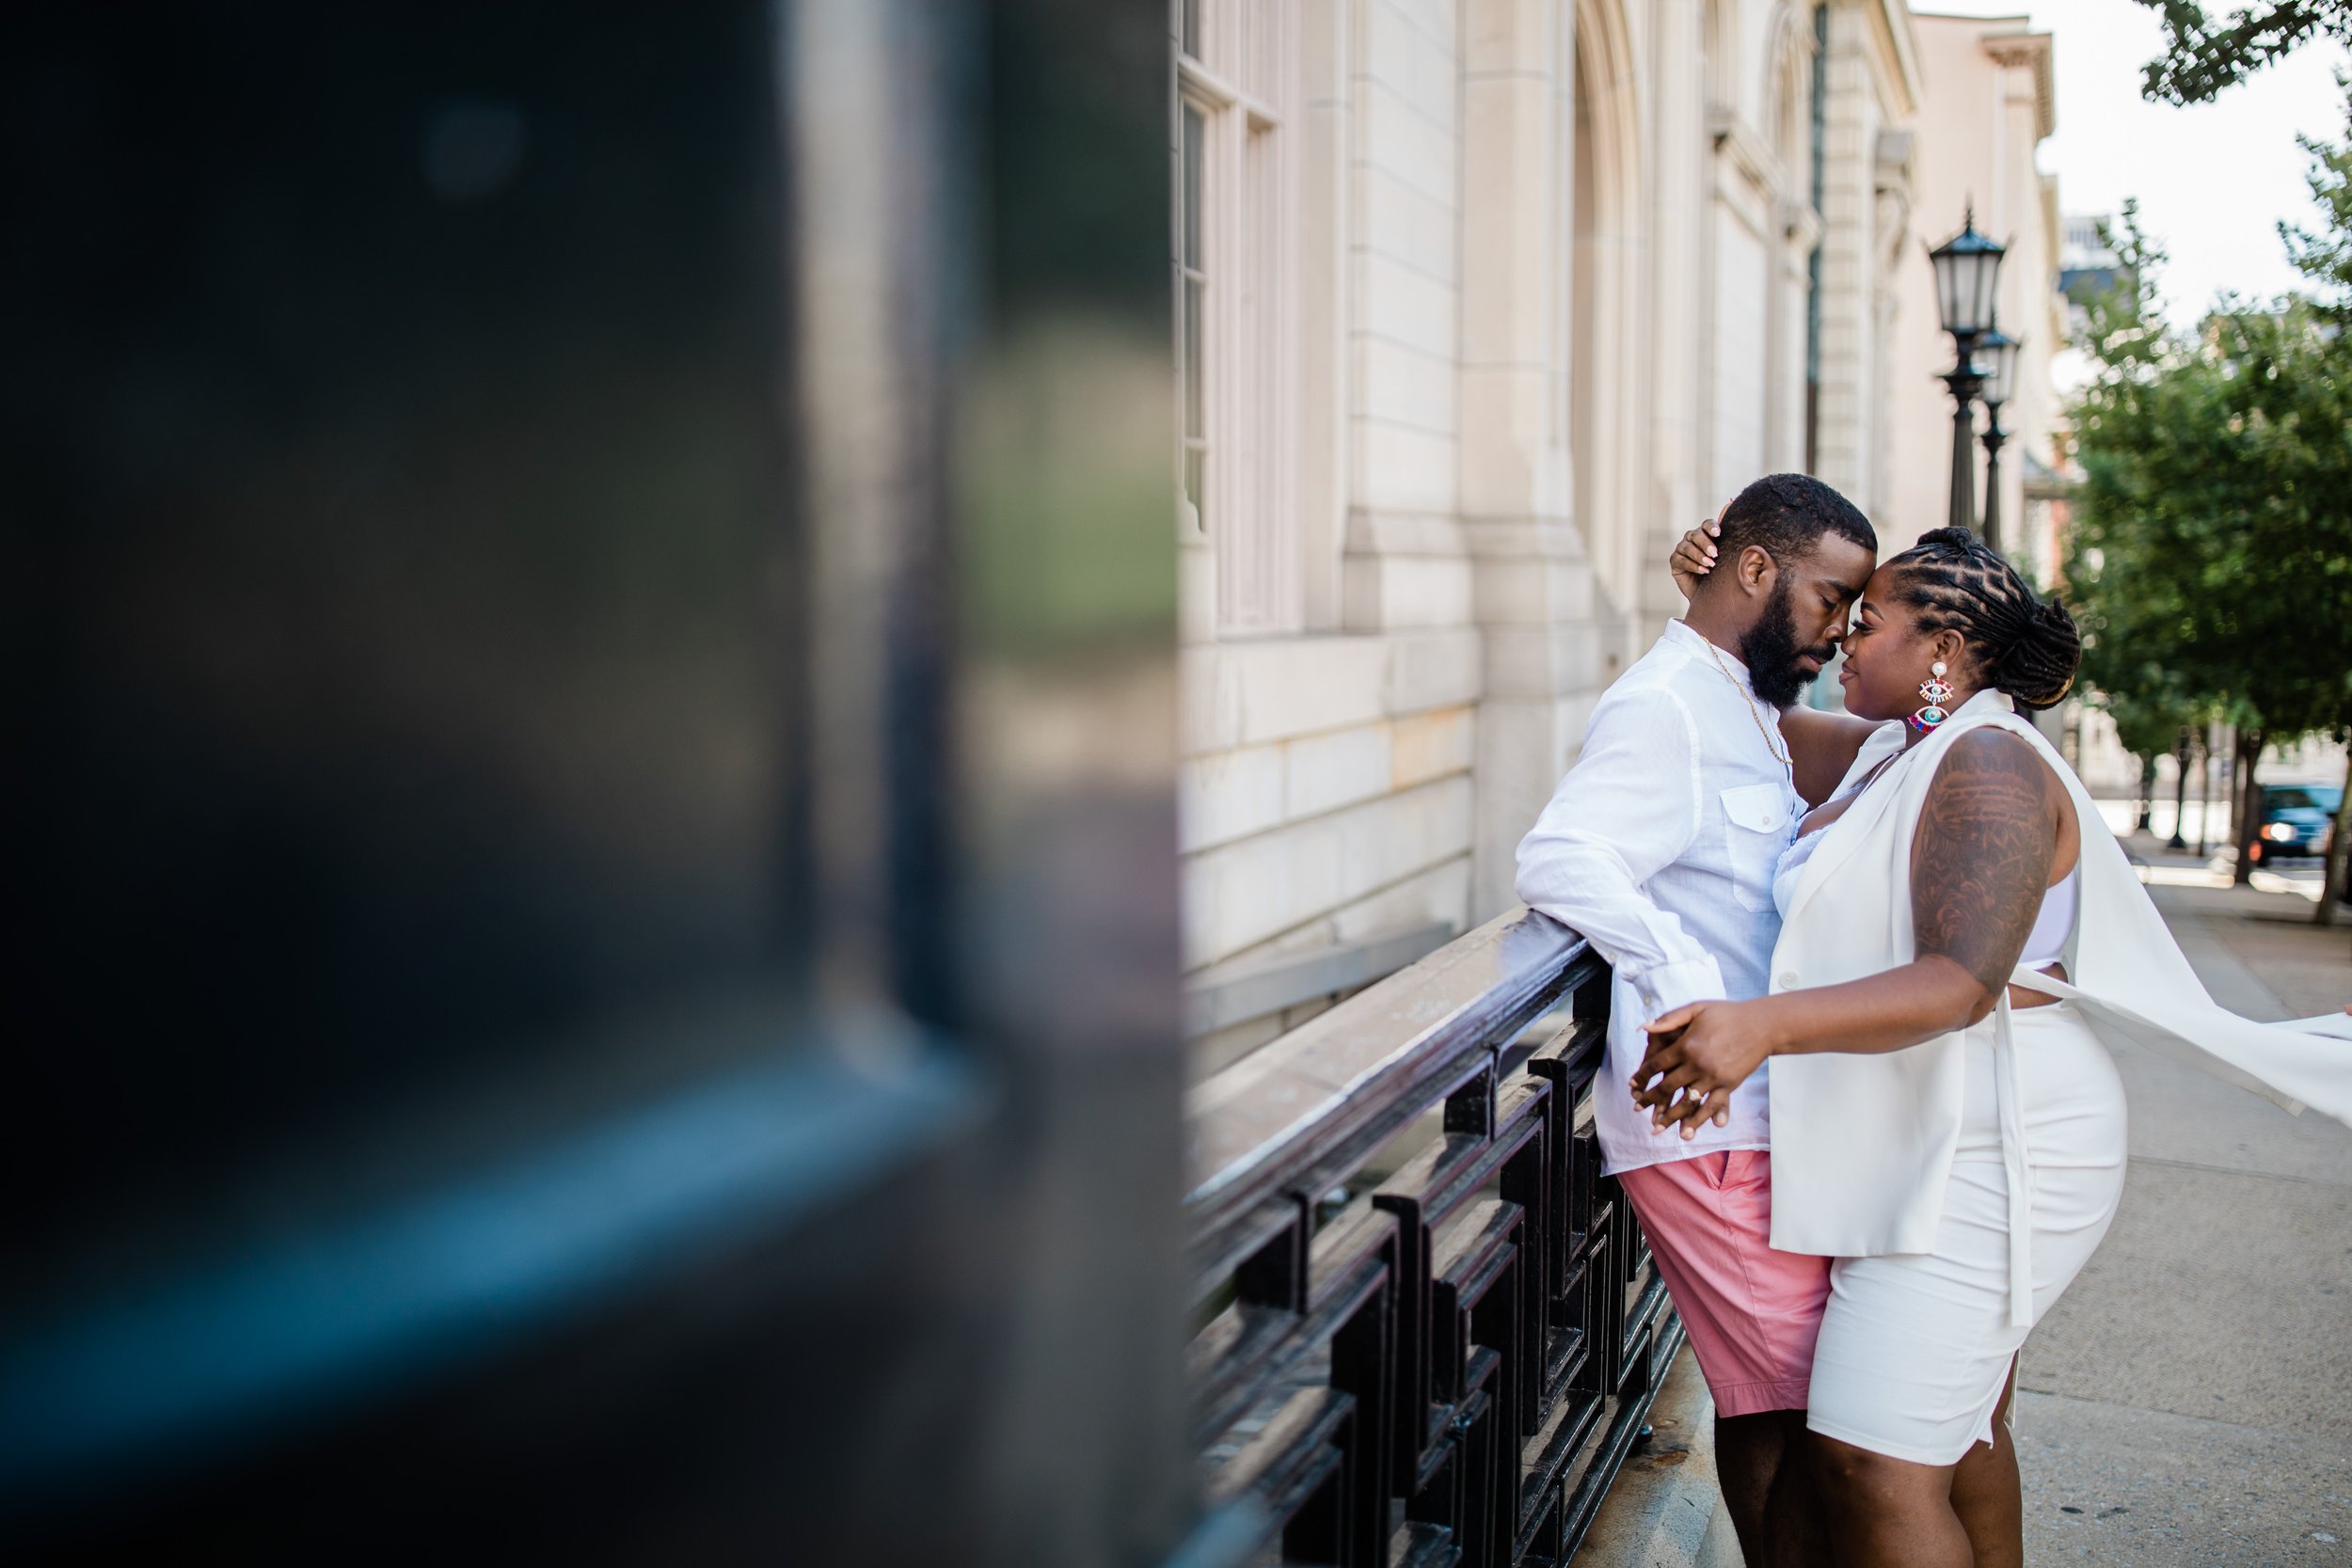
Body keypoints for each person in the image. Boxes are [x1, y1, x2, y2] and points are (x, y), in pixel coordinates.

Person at [1640, 524, 2352, 1568]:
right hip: (1915, 1127)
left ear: (1941, 649)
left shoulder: (1989, 762)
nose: (1841, 633)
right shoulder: (1897, 747)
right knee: (1954, 1436)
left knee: (1870, 1459)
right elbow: (1735, 725)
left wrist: (1758, 1027)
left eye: (1865, 620)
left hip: (1998, 1143)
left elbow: (1960, 980)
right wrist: (1720, 607)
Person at [1513, 472, 1881, 1567]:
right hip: (1705, 1119)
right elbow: (1562, 855)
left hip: (1766, 1109)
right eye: (1829, 599)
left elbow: (1898, 737)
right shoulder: (1665, 703)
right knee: (1803, 1409)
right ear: (1757, 570)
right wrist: (1681, 985)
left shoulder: (1746, 699)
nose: (1838, 628)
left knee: (1785, 1404)